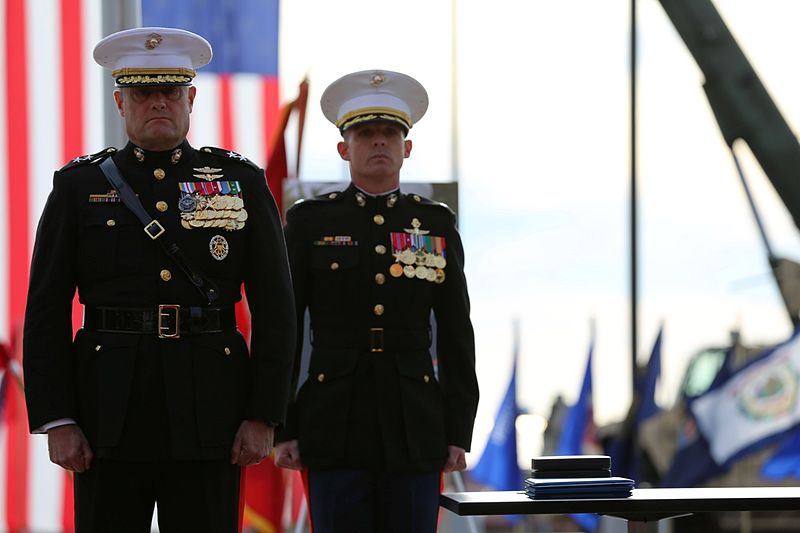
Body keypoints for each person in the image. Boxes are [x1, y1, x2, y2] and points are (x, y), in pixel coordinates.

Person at [22, 27, 295, 533]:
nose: (157, 103)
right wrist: (57, 418)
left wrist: (264, 414)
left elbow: (277, 308)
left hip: (212, 411)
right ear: (120, 102)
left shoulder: (239, 182)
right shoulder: (80, 186)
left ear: (190, 98)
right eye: (143, 93)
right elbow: (45, 309)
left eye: (169, 91)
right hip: (108, 413)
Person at [275, 69, 479, 533]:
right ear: (345, 148)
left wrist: (456, 428)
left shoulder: (434, 226)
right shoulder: (310, 223)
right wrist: (283, 423)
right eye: (365, 133)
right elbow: (286, 328)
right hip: (332, 422)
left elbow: (456, 331)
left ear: (407, 148)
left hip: (414, 426)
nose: (379, 142)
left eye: (390, 133)